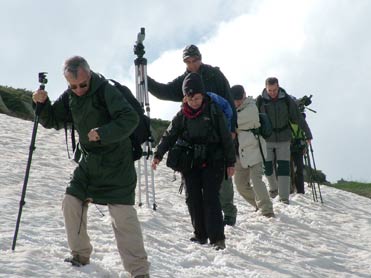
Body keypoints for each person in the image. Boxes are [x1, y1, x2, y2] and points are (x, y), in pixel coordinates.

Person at [32, 56, 150, 278]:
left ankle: (139, 272)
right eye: (72, 86)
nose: (78, 90)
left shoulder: (106, 90)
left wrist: (103, 133)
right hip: (89, 163)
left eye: (82, 85)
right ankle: (80, 254)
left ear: (90, 75)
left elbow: (130, 118)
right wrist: (41, 103)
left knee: (123, 217)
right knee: (71, 201)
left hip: (118, 164)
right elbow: (52, 120)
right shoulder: (70, 96)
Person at [148, 44, 238, 226]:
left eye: (194, 60)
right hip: (195, 135)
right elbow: (164, 91)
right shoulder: (185, 80)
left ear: (200, 58)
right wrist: (145, 78)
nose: (192, 64)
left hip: (219, 131)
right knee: (197, 178)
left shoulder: (215, 75)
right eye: (188, 61)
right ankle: (205, 220)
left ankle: (228, 212)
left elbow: (228, 99)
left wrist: (232, 129)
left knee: (223, 175)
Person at [256, 77, 312, 204]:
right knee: (268, 168)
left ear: (278, 86)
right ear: (266, 88)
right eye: (270, 90)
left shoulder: (286, 100)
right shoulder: (260, 101)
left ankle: (284, 198)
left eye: (274, 90)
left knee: (284, 168)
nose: (272, 92)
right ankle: (273, 189)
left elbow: (298, 117)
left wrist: (308, 134)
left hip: (284, 138)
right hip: (267, 139)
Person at [231, 85, 274, 217]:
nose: (238, 102)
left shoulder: (251, 107)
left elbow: (235, 122)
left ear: (244, 95)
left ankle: (267, 210)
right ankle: (258, 204)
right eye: (235, 100)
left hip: (255, 150)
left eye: (239, 99)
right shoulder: (231, 109)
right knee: (240, 184)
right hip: (240, 153)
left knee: (256, 180)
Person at [290, 101, 312, 194]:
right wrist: (305, 146)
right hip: (299, 145)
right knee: (299, 169)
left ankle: (292, 190)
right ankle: (300, 191)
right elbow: (304, 135)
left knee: (291, 168)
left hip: (289, 145)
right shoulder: (302, 120)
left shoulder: (286, 119)